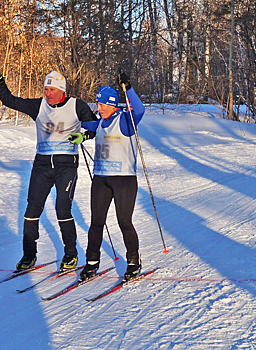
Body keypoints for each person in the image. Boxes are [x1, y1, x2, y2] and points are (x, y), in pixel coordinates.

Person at [0, 69, 98, 272]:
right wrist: (0, 82)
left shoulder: (76, 105)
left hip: (67, 165)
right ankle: (29, 255)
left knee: (62, 208)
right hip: (42, 164)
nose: (47, 93)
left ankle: (71, 254)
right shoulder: (38, 105)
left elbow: (94, 125)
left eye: (51, 89)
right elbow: (10, 101)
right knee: (31, 210)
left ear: (61, 90)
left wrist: (84, 136)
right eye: (46, 89)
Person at [70, 72, 145, 282]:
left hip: (124, 180)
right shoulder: (100, 122)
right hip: (101, 179)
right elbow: (87, 125)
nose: (98, 108)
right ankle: (92, 262)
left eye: (101, 104)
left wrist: (128, 88)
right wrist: (82, 135)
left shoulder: (125, 120)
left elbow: (139, 109)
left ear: (112, 104)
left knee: (124, 221)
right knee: (96, 222)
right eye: (97, 103)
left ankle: (133, 261)